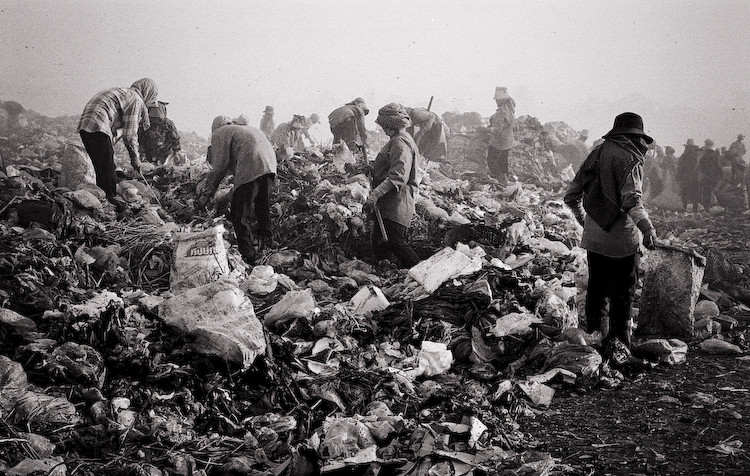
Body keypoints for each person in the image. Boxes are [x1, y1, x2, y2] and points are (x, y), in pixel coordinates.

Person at [564, 112, 657, 350]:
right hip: (621, 241)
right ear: (635, 137)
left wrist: (583, 220)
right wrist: (647, 228)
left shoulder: (597, 152)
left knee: (597, 288)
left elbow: (571, 194)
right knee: (623, 293)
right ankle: (620, 346)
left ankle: (596, 340)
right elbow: (632, 201)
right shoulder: (630, 161)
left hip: (594, 238)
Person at [196, 116, 277, 264]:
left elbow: (219, 167)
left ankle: (248, 253)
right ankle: (268, 241)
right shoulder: (243, 129)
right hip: (270, 165)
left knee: (239, 212)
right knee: (262, 206)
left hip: (251, 164)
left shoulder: (220, 133)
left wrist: (207, 194)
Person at [78, 78, 158, 210]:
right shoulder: (136, 100)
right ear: (148, 92)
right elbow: (130, 134)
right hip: (98, 124)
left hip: (86, 125)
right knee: (107, 168)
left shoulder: (126, 94)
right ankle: (110, 201)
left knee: (102, 167)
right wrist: (135, 159)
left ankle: (103, 200)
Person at [363, 103, 421, 268]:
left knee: (396, 243)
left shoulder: (400, 143)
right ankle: (385, 274)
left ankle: (422, 272)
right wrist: (373, 168)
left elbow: (398, 176)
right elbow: (390, 165)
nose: (383, 129)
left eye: (384, 125)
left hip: (396, 203)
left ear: (391, 125)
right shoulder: (397, 139)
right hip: (388, 203)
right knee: (380, 243)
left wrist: (374, 195)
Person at [138, 101, 186, 165]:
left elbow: (175, 139)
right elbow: (140, 140)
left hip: (165, 153)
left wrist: (176, 152)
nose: (156, 121)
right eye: (153, 119)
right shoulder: (144, 124)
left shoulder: (168, 124)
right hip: (149, 152)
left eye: (158, 119)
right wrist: (142, 154)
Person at [486, 87, 516, 183]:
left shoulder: (502, 112)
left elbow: (497, 129)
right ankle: (505, 180)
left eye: (498, 100)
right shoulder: (509, 109)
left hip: (500, 142)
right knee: (503, 162)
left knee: (491, 161)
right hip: (507, 141)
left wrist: (485, 130)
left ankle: (502, 180)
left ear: (502, 100)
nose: (496, 102)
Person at [676, 138, 702, 212]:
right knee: (693, 193)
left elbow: (680, 167)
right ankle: (694, 209)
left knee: (686, 193)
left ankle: (686, 208)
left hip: (688, 177)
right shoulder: (696, 155)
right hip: (693, 177)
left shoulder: (685, 156)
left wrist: (679, 176)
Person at [698, 139, 722, 210]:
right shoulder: (714, 155)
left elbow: (701, 165)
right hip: (713, 176)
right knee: (711, 192)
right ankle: (711, 207)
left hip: (706, 176)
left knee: (706, 193)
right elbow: (718, 166)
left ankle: (707, 207)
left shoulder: (704, 156)